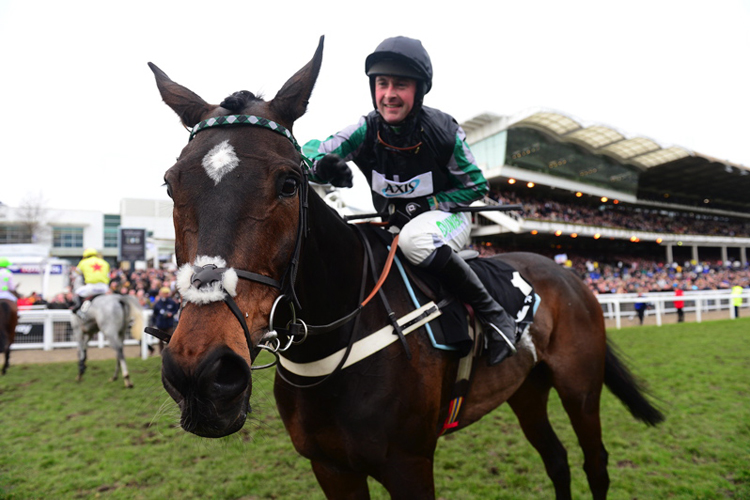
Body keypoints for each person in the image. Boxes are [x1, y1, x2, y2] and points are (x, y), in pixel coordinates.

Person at [302, 36, 518, 365]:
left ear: (418, 90)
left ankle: (496, 316)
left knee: (416, 239)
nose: (389, 94)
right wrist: (323, 166)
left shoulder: (443, 132)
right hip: (392, 224)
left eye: (400, 85)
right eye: (382, 83)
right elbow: (311, 153)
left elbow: (475, 186)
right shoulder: (363, 129)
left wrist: (427, 205)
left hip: (447, 220)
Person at [72, 248, 110, 314]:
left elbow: (75, 274)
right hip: (104, 288)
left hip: (91, 288)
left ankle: (79, 310)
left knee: (77, 293)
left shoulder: (83, 262)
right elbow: (108, 276)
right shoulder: (105, 263)